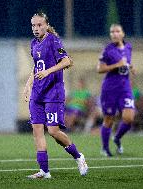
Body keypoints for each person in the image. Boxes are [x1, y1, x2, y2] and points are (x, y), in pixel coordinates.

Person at [23, 12, 88, 179]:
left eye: (39, 25)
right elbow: (36, 67)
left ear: (46, 25)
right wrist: (28, 84)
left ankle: (78, 156)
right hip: (37, 93)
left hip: (53, 92)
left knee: (53, 131)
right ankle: (44, 171)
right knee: (37, 130)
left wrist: (48, 72)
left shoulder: (52, 40)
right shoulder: (33, 44)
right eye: (33, 26)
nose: (36, 28)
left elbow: (67, 61)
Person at [97, 24, 136, 157]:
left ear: (123, 33)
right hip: (110, 89)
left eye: (117, 31)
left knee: (129, 118)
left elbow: (126, 62)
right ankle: (105, 148)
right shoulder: (107, 50)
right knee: (109, 119)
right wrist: (116, 65)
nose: (114, 34)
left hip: (125, 88)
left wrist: (131, 66)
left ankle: (117, 137)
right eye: (112, 32)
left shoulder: (129, 47)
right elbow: (100, 69)